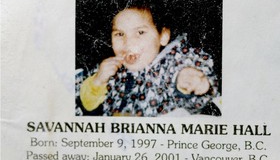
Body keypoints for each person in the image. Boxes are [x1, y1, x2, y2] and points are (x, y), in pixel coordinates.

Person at [79, 6, 220, 116]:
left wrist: (190, 79)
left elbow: (200, 75)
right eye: (119, 34)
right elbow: (86, 105)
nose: (128, 42)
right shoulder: (109, 68)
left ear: (163, 36)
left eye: (140, 32)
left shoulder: (175, 62)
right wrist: (97, 81)